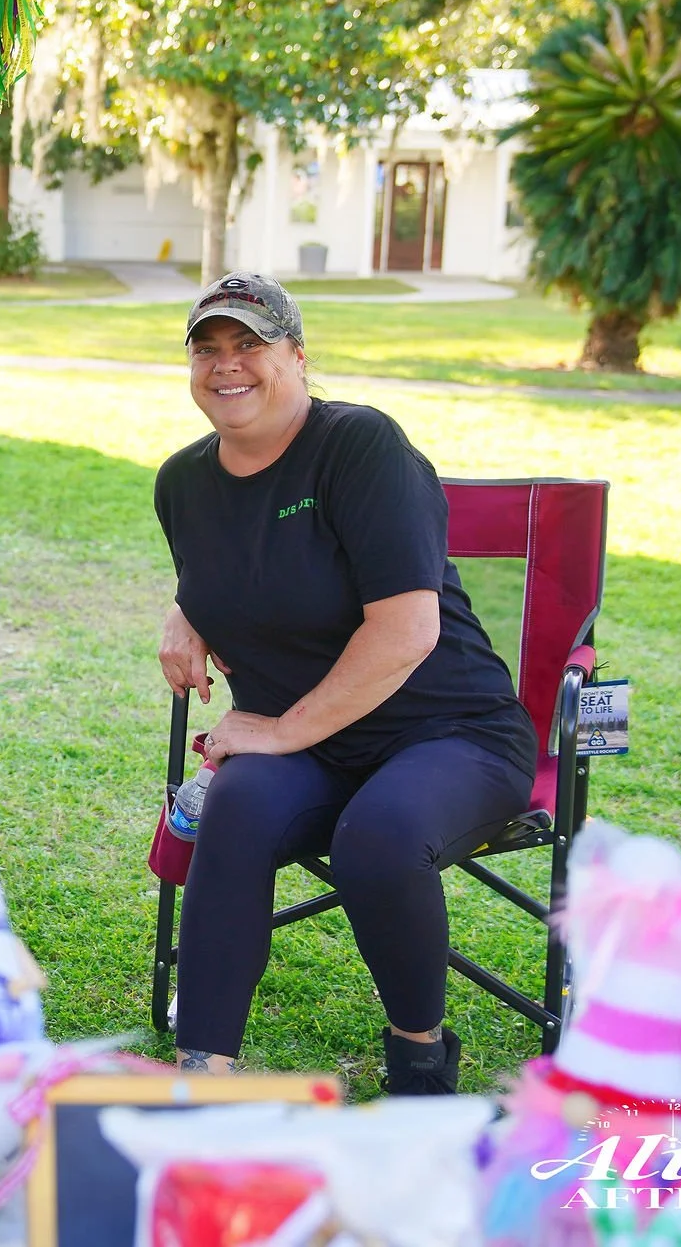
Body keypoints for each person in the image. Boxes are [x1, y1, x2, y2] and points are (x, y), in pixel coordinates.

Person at [154, 273, 537, 1096]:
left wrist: (284, 730)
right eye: (208, 349)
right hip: (318, 744)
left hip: (450, 732)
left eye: (251, 345)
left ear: (297, 355)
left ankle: (421, 1059)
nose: (228, 366)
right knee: (240, 804)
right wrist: (184, 609)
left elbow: (406, 630)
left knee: (379, 834)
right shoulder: (180, 482)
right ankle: (201, 1078)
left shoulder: (361, 447)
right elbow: (239, 567)